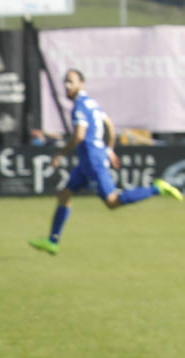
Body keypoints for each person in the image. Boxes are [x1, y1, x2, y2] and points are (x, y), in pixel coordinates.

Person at [28, 68, 182, 255]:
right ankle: (52, 241)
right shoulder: (90, 103)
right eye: (65, 82)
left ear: (81, 84)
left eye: (71, 82)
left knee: (112, 201)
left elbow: (79, 135)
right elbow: (109, 124)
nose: (67, 86)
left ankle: (156, 188)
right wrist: (108, 149)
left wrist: (60, 153)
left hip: (93, 160)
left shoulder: (79, 106)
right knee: (65, 194)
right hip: (88, 160)